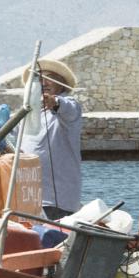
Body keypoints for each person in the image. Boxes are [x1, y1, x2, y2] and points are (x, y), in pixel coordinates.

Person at [34, 59, 84, 219]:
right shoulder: (31, 113)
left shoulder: (69, 107)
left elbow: (68, 108)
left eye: (50, 78)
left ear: (61, 84)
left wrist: (54, 102)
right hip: (31, 196)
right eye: (39, 78)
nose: (44, 82)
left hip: (57, 201)